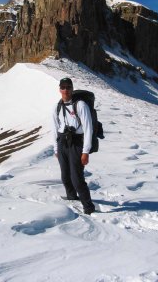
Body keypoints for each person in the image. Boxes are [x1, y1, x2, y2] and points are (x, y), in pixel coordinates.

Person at [52, 77, 95, 215]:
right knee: (65, 176)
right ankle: (71, 197)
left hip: (77, 143)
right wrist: (56, 148)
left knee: (77, 178)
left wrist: (86, 151)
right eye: (63, 87)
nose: (66, 90)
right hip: (62, 142)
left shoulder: (81, 105)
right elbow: (55, 128)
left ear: (72, 89)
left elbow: (88, 128)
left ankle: (88, 207)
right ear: (60, 89)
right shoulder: (57, 107)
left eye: (68, 87)